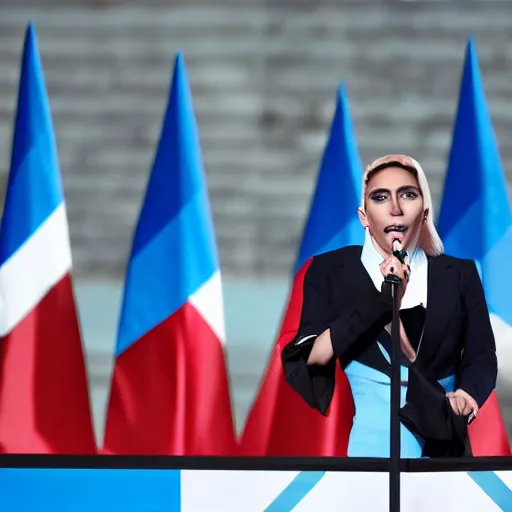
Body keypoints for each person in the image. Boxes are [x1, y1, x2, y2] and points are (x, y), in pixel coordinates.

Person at [281, 154, 498, 458]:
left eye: (408, 195)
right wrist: (382, 300)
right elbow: (311, 356)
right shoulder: (330, 270)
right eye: (380, 197)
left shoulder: (460, 273)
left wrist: (468, 393)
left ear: (424, 212)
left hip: (443, 446)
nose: (395, 208)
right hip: (372, 447)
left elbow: (481, 355)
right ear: (364, 216)